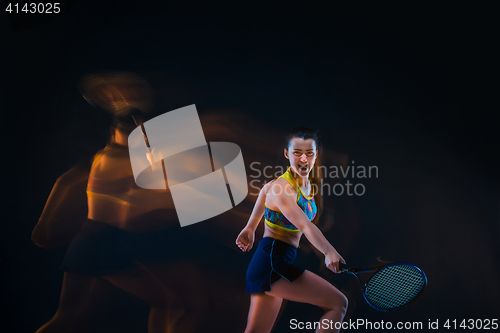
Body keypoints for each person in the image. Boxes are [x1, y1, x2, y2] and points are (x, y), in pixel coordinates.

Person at [236, 127, 348, 333]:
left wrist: (250, 227)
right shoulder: (283, 188)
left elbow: (264, 191)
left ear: (315, 155)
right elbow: (304, 225)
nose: (304, 158)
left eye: (309, 153)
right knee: (338, 303)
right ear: (287, 154)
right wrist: (328, 251)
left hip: (276, 260)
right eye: (297, 153)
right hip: (272, 263)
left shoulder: (307, 186)